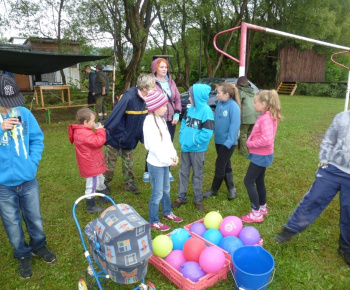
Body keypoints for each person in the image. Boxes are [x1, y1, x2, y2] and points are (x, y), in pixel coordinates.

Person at [275, 110, 350, 266]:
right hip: (332, 170)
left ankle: (346, 247)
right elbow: (328, 141)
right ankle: (290, 229)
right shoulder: (341, 118)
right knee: (314, 198)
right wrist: (323, 164)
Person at [0, 74, 56, 279]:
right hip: (3, 185)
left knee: (35, 217)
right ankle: (22, 254)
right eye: (4, 104)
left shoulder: (23, 113)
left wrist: (31, 165)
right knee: (12, 223)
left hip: (28, 180)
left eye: (12, 103)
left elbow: (37, 139)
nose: (9, 108)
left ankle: (39, 245)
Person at [103, 74, 155, 194]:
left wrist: (142, 137)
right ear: (144, 88)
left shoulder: (147, 99)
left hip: (131, 138)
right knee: (109, 163)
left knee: (129, 162)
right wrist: (107, 133)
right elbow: (115, 116)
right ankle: (103, 183)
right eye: (153, 87)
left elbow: (144, 120)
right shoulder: (128, 97)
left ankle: (129, 183)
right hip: (117, 137)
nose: (155, 89)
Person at [143, 90, 183, 231]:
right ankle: (153, 220)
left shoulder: (160, 119)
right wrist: (167, 161)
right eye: (164, 106)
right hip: (156, 164)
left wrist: (173, 154)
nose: (166, 109)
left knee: (166, 189)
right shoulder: (149, 122)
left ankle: (167, 212)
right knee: (158, 192)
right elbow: (153, 147)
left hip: (164, 161)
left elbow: (167, 141)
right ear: (155, 107)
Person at [241, 90, 283, 223]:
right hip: (263, 154)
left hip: (261, 155)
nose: (253, 105)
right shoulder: (267, 115)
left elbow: (267, 139)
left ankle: (256, 213)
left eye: (255, 102)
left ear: (264, 104)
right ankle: (262, 207)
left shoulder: (265, 118)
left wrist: (250, 143)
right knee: (259, 180)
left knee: (248, 181)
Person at [171, 84, 214, 211]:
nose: (189, 98)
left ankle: (198, 199)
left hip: (197, 150)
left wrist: (194, 141)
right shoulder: (190, 109)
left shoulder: (207, 112)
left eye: (191, 96)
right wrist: (182, 136)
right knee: (183, 172)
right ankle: (181, 197)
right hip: (186, 148)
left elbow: (207, 133)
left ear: (198, 97)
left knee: (197, 174)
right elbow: (183, 123)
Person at [143, 58, 181, 183]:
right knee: (155, 143)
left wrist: (177, 113)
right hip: (156, 118)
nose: (164, 69)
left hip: (171, 119)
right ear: (155, 68)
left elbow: (177, 99)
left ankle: (167, 167)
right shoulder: (151, 82)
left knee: (167, 142)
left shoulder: (171, 82)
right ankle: (148, 169)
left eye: (166, 67)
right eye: (161, 67)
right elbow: (147, 99)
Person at [202, 82, 241, 200]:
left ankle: (214, 190)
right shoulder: (219, 104)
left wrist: (228, 143)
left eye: (218, 93)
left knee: (220, 165)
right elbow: (216, 120)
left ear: (227, 94)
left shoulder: (233, 106)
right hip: (218, 141)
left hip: (228, 143)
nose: (216, 94)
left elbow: (234, 127)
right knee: (226, 165)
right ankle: (232, 189)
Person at [68, 107, 109, 213]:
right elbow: (98, 142)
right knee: (92, 184)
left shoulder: (84, 131)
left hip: (94, 162)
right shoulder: (83, 134)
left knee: (100, 179)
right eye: (93, 121)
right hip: (91, 165)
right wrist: (100, 130)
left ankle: (102, 197)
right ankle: (91, 206)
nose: (94, 123)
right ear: (85, 122)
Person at [237, 76, 259, 156]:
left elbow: (238, 104)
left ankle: (244, 151)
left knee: (243, 134)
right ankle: (251, 149)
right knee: (250, 133)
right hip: (255, 114)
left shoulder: (240, 91)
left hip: (246, 115)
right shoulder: (254, 90)